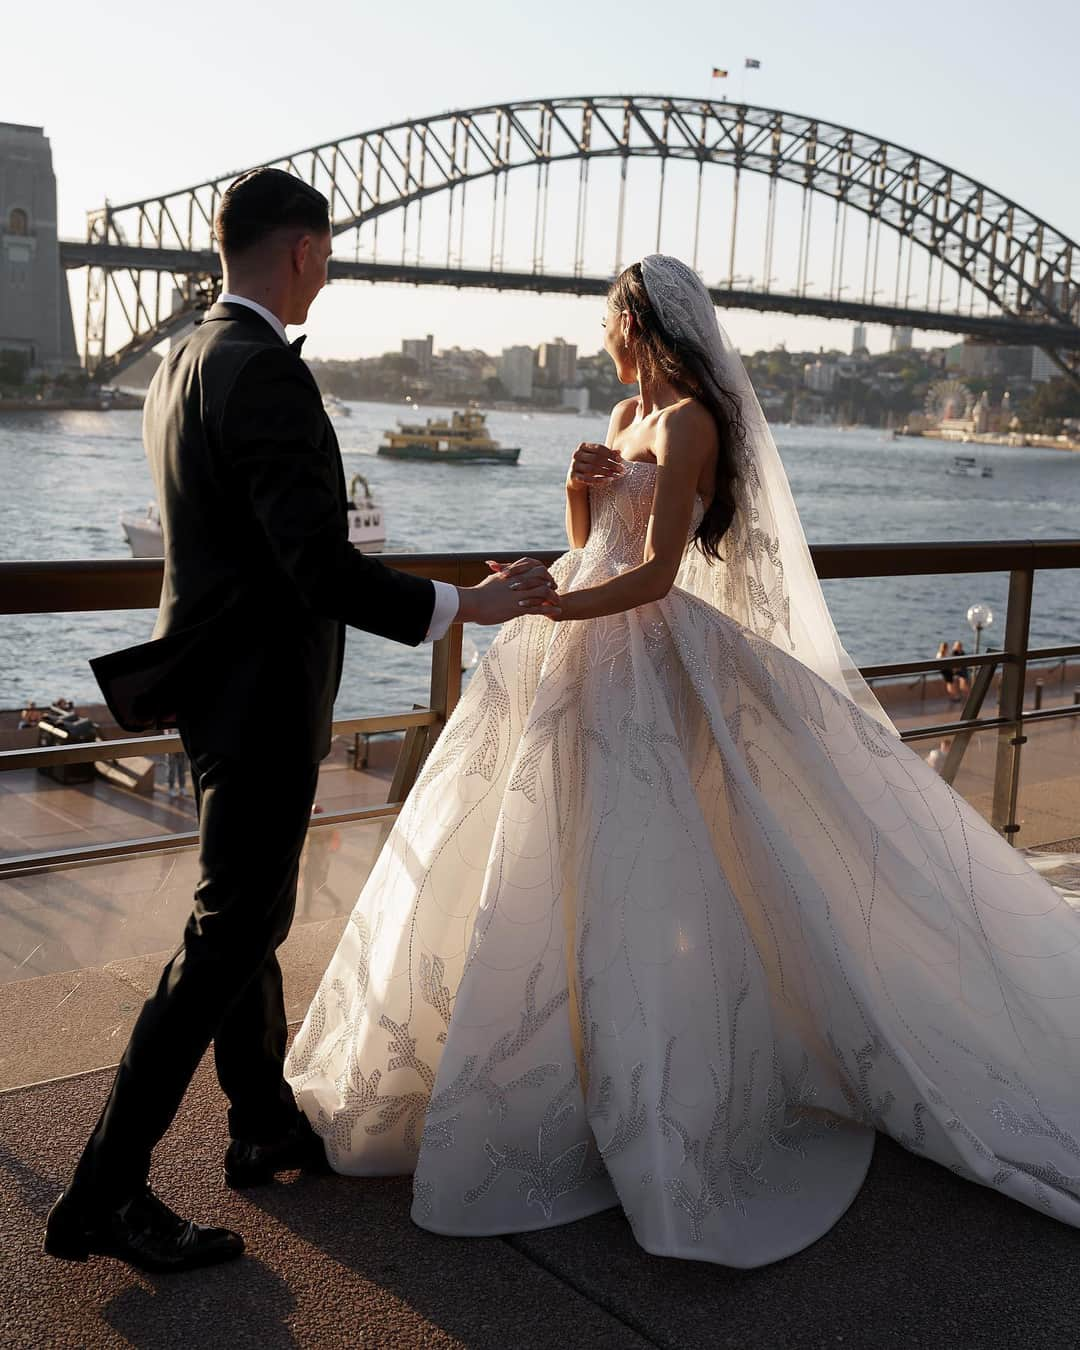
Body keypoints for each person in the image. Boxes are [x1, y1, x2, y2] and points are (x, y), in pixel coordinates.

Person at [286, 255, 1080, 1270]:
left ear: (640, 321)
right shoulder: (625, 419)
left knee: (638, 861)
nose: (603, 338)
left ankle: (647, 1076)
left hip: (635, 653)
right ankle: (546, 1060)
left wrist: (553, 604)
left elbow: (658, 573)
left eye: (611, 320)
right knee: (547, 853)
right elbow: (593, 541)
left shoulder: (692, 421)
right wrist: (578, 496)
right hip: (576, 641)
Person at [44, 167, 558, 1276]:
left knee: (253, 912)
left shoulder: (178, 363)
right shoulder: (266, 373)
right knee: (227, 932)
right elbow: (316, 564)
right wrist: (470, 602)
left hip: (211, 690)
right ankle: (105, 1189)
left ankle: (263, 1117)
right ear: (307, 252)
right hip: (262, 697)